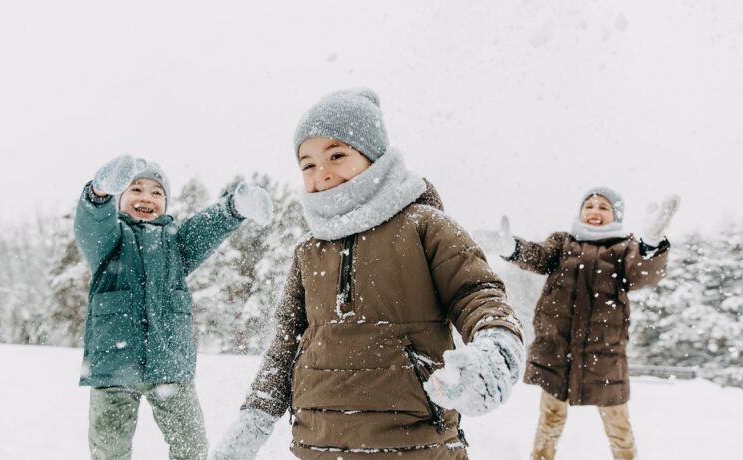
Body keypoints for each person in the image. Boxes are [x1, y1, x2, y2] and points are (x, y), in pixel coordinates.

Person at [210, 88, 525, 459]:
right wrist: (257, 415)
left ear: (375, 158)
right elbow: (286, 342)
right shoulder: (308, 251)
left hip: (413, 444)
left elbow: (478, 294)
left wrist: (496, 350)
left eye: (337, 155)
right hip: (318, 444)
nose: (321, 173)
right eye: (307, 164)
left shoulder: (426, 226)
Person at [75, 155, 273, 460]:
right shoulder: (109, 241)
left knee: (191, 446)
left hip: (169, 362)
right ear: (120, 197)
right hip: (113, 366)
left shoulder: (174, 246)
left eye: (157, 193)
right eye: (135, 189)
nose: (146, 197)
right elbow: (92, 220)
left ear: (165, 204)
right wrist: (98, 193)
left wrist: (234, 208)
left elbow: (204, 230)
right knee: (109, 449)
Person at [488, 187, 679, 460]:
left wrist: (650, 246)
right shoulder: (563, 244)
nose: (594, 212)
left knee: (618, 426)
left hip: (604, 355)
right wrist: (513, 248)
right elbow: (539, 256)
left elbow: (643, 274)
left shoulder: (623, 249)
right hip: (558, 351)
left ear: (615, 215)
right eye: (589, 206)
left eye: (603, 207)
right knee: (549, 422)